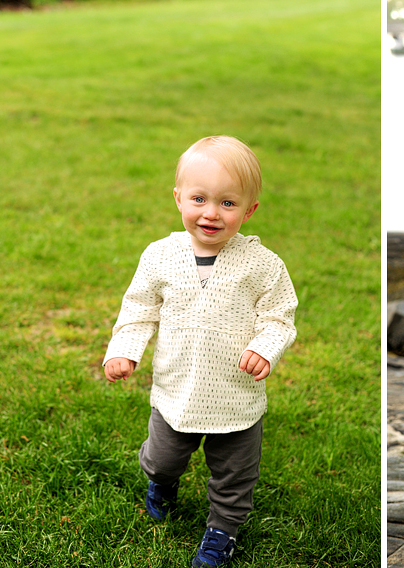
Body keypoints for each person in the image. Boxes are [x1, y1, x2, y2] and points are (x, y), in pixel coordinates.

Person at [103, 136, 298, 568]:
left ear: (249, 210)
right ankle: (161, 483)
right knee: (161, 459)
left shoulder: (263, 265)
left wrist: (265, 348)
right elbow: (138, 309)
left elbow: (279, 317)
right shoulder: (160, 257)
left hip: (236, 398)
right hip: (176, 393)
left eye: (228, 203)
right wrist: (125, 351)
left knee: (235, 477)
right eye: (199, 199)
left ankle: (221, 531)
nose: (211, 213)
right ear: (178, 198)